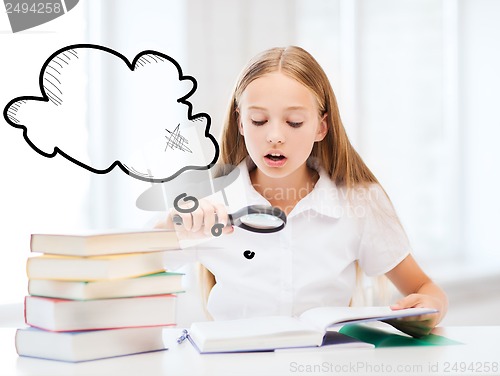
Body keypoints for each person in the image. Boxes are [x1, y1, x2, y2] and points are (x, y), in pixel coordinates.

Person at [155, 46, 447, 337]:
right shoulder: (211, 205)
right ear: (241, 123)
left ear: (321, 127)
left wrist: (429, 307)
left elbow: (426, 289)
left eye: (294, 122)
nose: (275, 136)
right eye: (258, 120)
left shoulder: (359, 202)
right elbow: (126, 268)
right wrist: (171, 225)